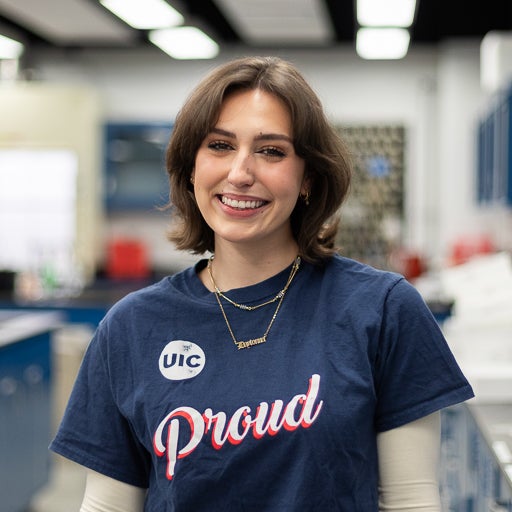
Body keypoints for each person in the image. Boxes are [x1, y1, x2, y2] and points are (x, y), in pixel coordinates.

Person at [51, 56, 474, 511]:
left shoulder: (382, 311)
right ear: (191, 166)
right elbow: (109, 506)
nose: (240, 173)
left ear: (307, 176)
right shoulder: (132, 327)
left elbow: (410, 500)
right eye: (219, 145)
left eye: (271, 151)